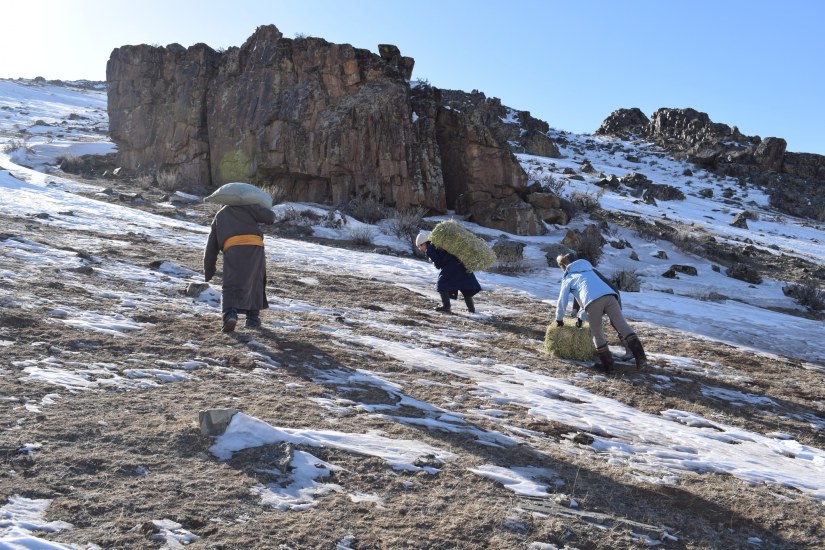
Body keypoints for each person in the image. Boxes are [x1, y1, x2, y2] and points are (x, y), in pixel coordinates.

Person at [555, 252, 648, 373]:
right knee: (622, 325)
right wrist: (581, 318)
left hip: (594, 302)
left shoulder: (568, 277)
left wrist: (559, 319)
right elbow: (586, 298)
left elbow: (562, 301)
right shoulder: (589, 270)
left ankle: (607, 366)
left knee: (597, 333)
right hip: (610, 296)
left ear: (563, 267)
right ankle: (641, 357)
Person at [203, 203, 275, 332]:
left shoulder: (220, 215)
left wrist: (209, 270)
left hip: (233, 250)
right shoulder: (249, 206)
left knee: (231, 283)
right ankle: (252, 318)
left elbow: (211, 247)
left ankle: (230, 315)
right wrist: (257, 205)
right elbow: (270, 218)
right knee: (255, 280)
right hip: (256, 248)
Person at [416, 232, 481, 314]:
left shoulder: (429, 249)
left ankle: (446, 306)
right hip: (460, 263)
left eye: (419, 247)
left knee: (442, 283)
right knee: (464, 286)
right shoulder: (435, 244)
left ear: (423, 244)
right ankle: (471, 309)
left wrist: (433, 261)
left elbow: (438, 263)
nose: (419, 249)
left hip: (451, 266)